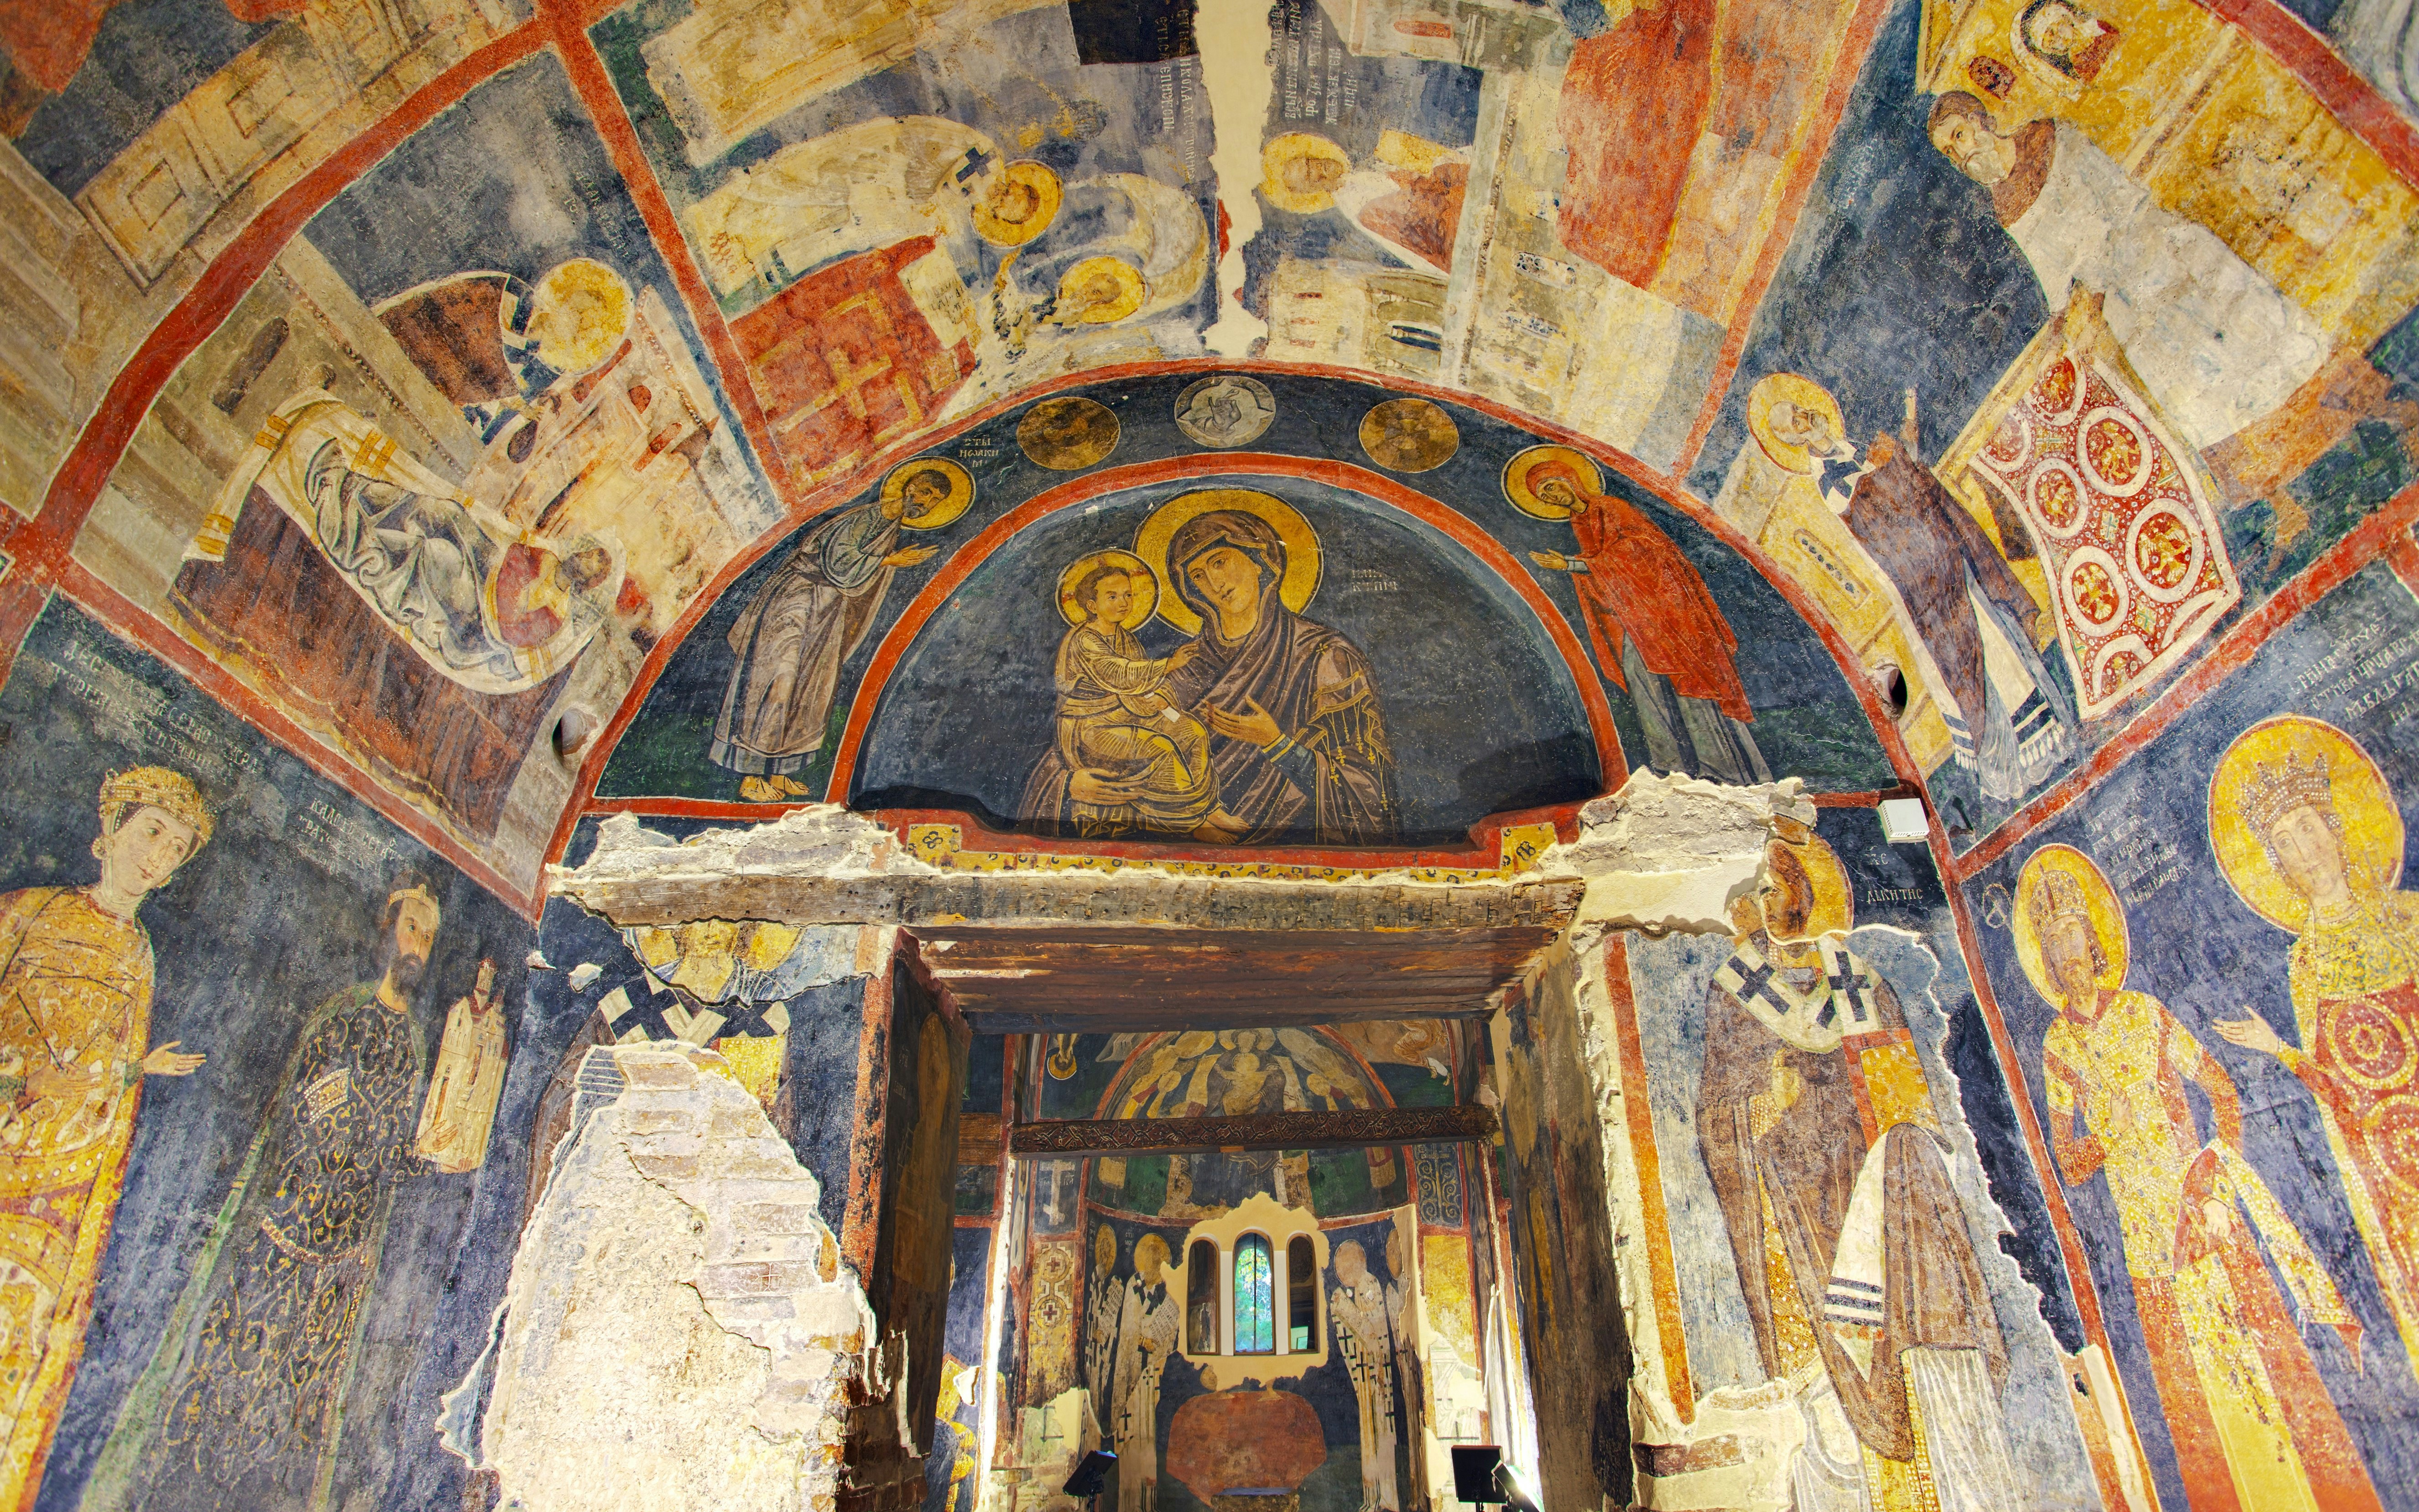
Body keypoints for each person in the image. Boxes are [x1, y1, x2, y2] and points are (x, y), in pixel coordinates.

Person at [2024, 855, 2382, 1512]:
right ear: (2045, 961)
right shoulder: (2057, 1046)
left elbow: (2220, 1086)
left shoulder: (2144, 1012)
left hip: (2200, 1206)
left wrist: (2215, 1182)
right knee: (2194, 1393)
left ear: (2094, 944)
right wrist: (2108, 1134)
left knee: (2264, 1364)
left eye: (2074, 940)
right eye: (2054, 947)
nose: (2067, 956)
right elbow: (2068, 1162)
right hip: (2144, 1235)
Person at [92, 873, 441, 1512]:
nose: (418, 944)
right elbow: (305, 1103)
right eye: (411, 926)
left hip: (340, 1262)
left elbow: (384, 1138)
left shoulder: (414, 1044)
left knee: (299, 1401)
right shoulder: (343, 1013)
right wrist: (351, 1120)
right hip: (281, 1234)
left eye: (429, 935)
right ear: (386, 930)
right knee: (228, 1376)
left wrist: (416, 1160)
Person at [1696, 834, 2018, 1512]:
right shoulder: (1739, 988)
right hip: (1790, 1201)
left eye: (1773, 885)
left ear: (1806, 895)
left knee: (1891, 1334)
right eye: (1759, 888)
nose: (1761, 900)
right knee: (1824, 1380)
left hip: (1867, 1192)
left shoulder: (1860, 981)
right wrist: (1769, 1103)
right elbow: (1718, 1113)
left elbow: (1905, 1100)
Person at [0, 769, 210, 1503]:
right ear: (114, 827)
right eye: (152, 830)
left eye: (177, 848)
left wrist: (124, 1075)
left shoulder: (137, 953)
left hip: (61, 1188)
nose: (160, 855)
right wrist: (115, 1069)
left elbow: (113, 1104)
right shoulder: (26, 912)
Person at [1926, 91, 2328, 452]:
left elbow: (2120, 199)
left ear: (1981, 120)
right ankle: (2269, 460)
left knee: (2244, 326)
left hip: (2152, 253)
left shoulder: (2049, 137)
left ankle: (2322, 398)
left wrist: (2098, 274)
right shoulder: (2004, 206)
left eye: (1959, 136)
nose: (1960, 155)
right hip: (2118, 302)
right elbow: (2053, 272)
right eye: (1949, 151)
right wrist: (2061, 325)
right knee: (2187, 388)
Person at [2213, 737, 2419, 1383]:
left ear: (2334, 827)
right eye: (2285, 840)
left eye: (2308, 827)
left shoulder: (2407, 916)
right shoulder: (2303, 964)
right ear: (2277, 864)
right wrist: (2276, 1049)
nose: (2304, 848)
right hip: (2389, 1167)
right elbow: (2335, 1089)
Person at [1758, 383, 2075, 801]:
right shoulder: (1830, 479)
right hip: (1920, 586)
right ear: (1794, 440)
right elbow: (1878, 510)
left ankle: (2045, 743)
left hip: (1944, 552)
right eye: (1795, 422)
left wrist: (1905, 432)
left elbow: (1907, 476)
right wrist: (1892, 465)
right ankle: (2007, 769)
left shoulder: (1853, 448)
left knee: (2000, 643)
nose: (1806, 418)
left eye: (1801, 409)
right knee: (1972, 663)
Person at [1022, 510, 1397, 845]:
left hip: (1286, 853)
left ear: (1259, 560)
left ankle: (1203, 811)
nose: (1213, 583)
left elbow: (1366, 792)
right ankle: (1196, 816)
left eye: (1220, 561)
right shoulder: (1189, 660)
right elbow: (1098, 732)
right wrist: (1071, 784)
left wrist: (1276, 743)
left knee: (1189, 733)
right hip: (1154, 852)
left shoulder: (1325, 657)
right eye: (1199, 575)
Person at [1522, 459, 1769, 785]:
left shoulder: (1610, 508)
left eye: (1551, 486)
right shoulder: (1579, 523)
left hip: (1666, 615)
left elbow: (1642, 551)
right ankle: (1672, 770)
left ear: (1569, 477)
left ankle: (1725, 772)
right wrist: (1580, 566)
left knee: (1690, 684)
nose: (1551, 496)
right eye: (1544, 496)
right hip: (1631, 619)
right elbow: (1607, 574)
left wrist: (1572, 564)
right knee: (1642, 681)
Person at [711, 469, 946, 800]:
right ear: (909, 487)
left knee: (810, 689)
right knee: (777, 679)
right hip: (797, 598)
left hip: (827, 608)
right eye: (925, 493)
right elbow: (838, 561)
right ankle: (751, 776)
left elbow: (854, 578)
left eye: (934, 501)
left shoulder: (890, 527)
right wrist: (890, 560)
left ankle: (780, 772)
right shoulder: (867, 516)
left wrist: (887, 562)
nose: (927, 503)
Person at [1044, 559, 1239, 840]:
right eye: (1112, 596)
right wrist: (1169, 664)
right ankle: (1192, 822)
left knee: (1192, 730)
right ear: (1091, 605)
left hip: (1128, 714)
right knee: (1161, 748)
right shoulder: (1085, 640)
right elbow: (1118, 674)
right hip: (1091, 727)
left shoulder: (1126, 638)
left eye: (1128, 595)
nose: (1123, 602)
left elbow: (1140, 687)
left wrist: (1162, 702)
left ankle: (1208, 808)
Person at [1329, 1240, 1410, 1512]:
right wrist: (1342, 1307)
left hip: (1377, 1376)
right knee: (1368, 1435)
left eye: (1348, 1262)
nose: (1344, 1269)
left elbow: (1372, 1335)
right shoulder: (1348, 1292)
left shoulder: (1371, 1285)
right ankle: (1372, 1498)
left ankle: (1387, 1499)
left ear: (1360, 1261)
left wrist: (1345, 1309)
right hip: (1365, 1379)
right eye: (1341, 1265)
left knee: (1383, 1435)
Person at [416, 956, 509, 1173]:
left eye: (490, 975)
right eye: (484, 973)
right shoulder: (462, 1008)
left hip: (477, 1089)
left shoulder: (492, 1018)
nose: (486, 979)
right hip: (452, 1079)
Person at [1113, 1235, 1179, 1512]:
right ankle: (1126, 1502)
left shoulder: (1169, 1295)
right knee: (1127, 1439)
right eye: (1148, 1256)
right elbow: (1126, 1328)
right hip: (1129, 1372)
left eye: (1156, 1258)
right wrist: (1138, 1341)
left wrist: (1151, 1340)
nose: (1151, 1262)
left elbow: (1168, 1336)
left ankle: (1145, 1504)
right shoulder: (1133, 1286)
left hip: (1151, 1377)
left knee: (1146, 1434)